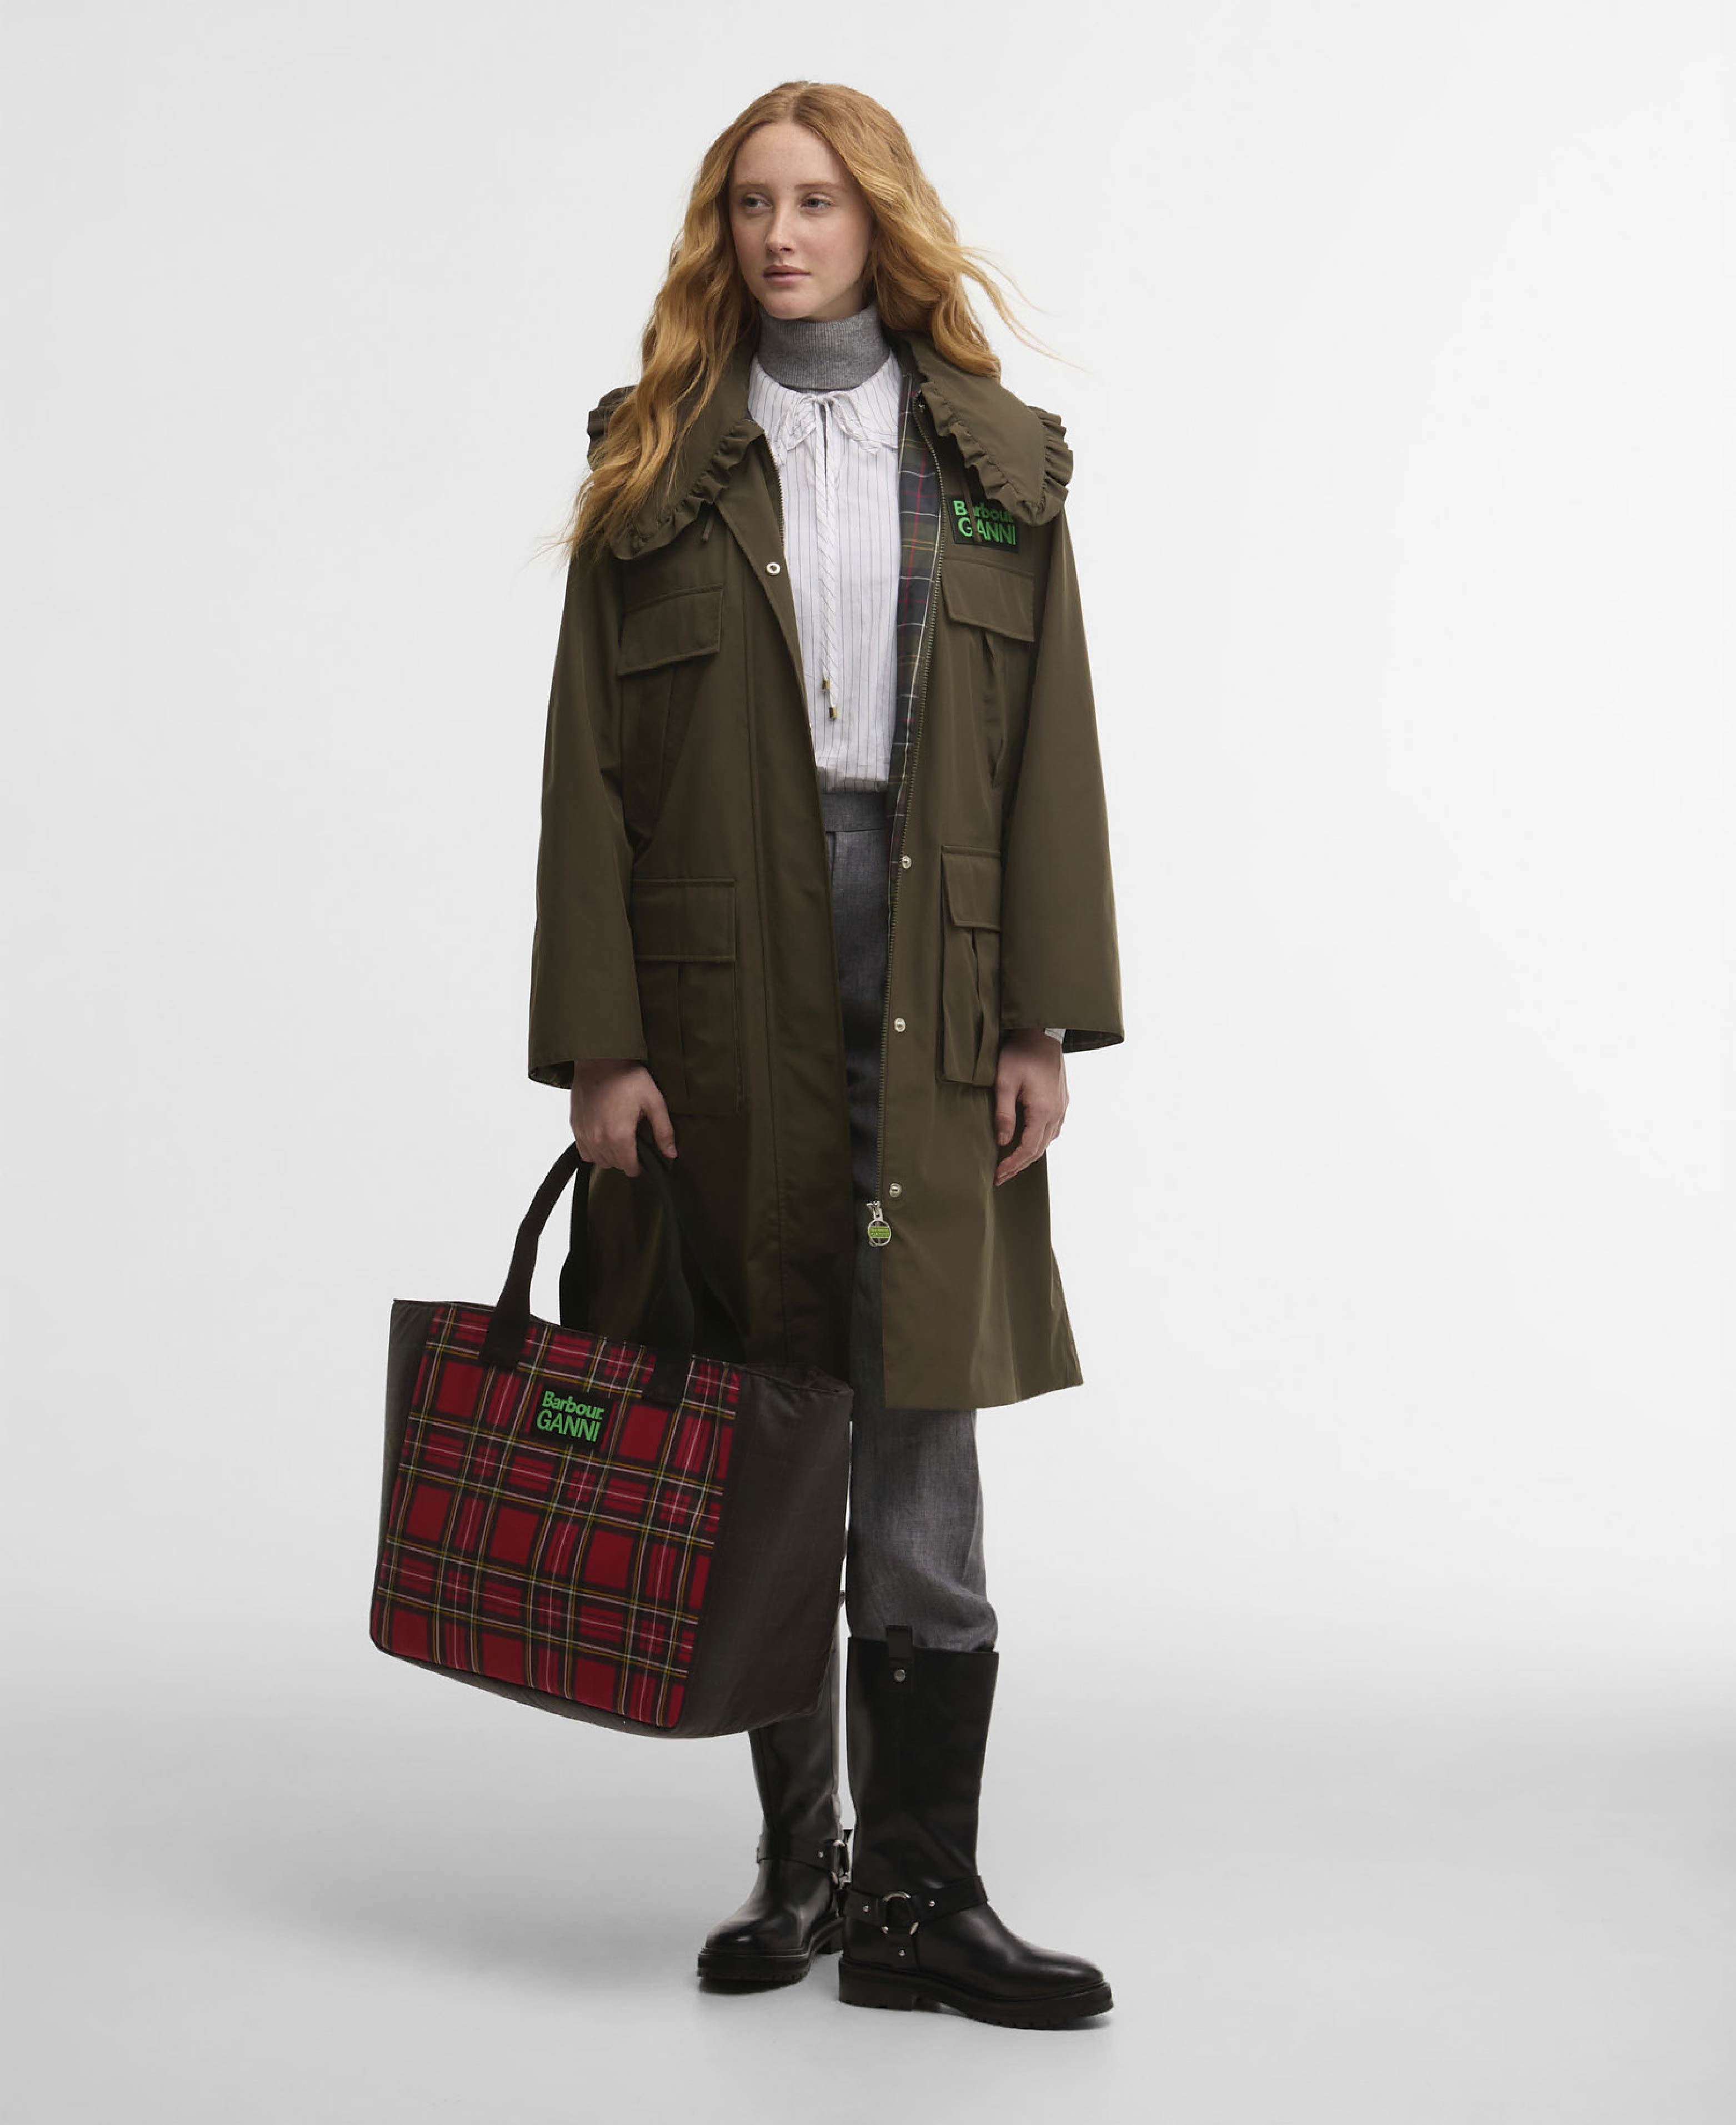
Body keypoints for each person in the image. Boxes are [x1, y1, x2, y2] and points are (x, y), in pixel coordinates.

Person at [528, 81, 1122, 2029]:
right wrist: (602, 1044)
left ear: (881, 220)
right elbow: (587, 772)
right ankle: (803, 1862)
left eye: (818, 201)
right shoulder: (657, 463)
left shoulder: (992, 463)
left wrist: (1038, 1013)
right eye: (751, 204)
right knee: (766, 1414)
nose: (782, 236)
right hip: (723, 984)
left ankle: (921, 1897)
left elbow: (1052, 756)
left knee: (919, 1409)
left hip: (936, 966)